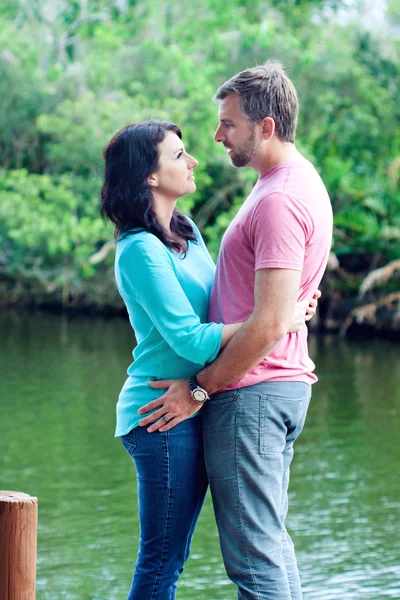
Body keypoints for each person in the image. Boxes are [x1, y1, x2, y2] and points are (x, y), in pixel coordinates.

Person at [100, 119, 320, 600]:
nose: (194, 159)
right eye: (179, 155)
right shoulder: (139, 250)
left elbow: (227, 300)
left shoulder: (185, 229)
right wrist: (276, 317)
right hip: (161, 413)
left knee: (239, 543)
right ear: (149, 177)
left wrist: (280, 306)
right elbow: (193, 341)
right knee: (163, 561)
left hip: (196, 400)